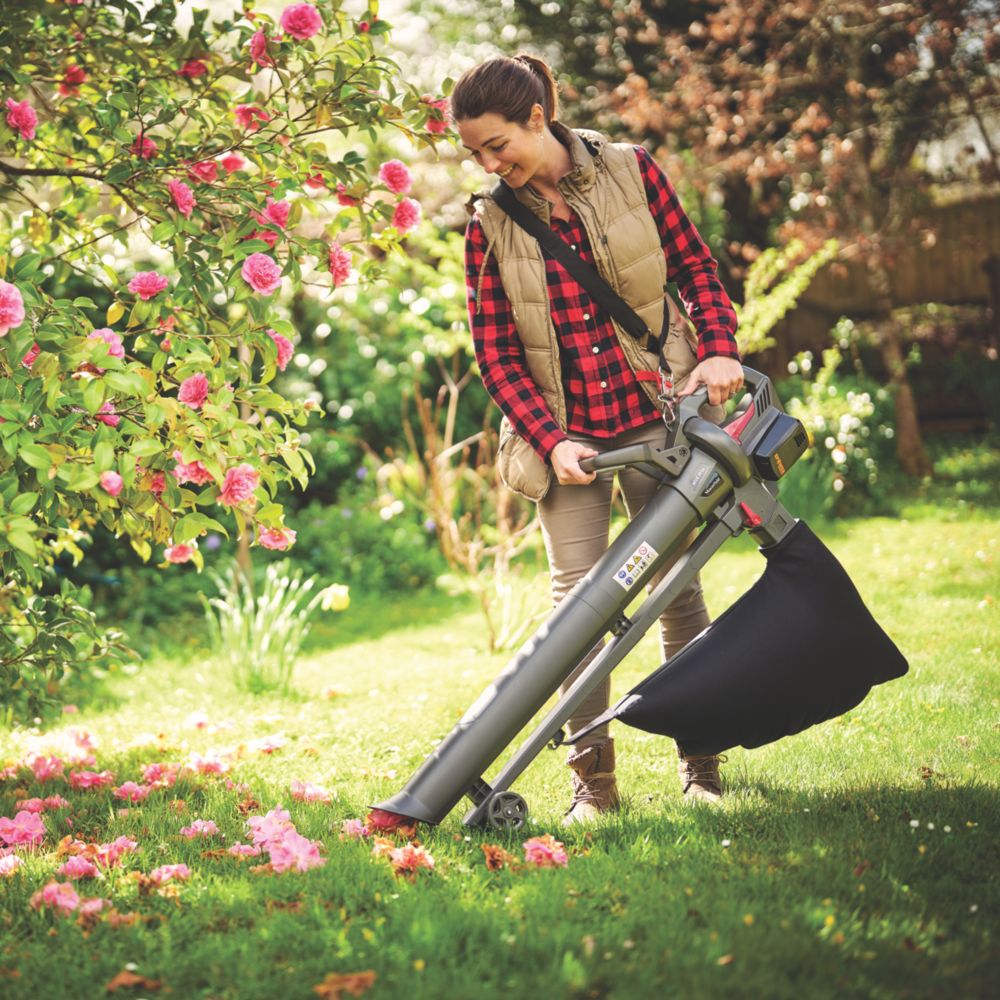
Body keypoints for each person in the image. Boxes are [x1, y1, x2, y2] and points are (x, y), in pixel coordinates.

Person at [452, 54, 743, 823]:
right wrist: (549, 441)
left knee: (678, 591)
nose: (488, 164)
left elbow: (694, 267)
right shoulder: (489, 221)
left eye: (496, 145)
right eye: (474, 154)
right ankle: (595, 790)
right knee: (576, 616)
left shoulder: (630, 171)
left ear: (538, 119)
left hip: (660, 413)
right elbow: (496, 351)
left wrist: (717, 345)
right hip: (570, 441)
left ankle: (702, 770)